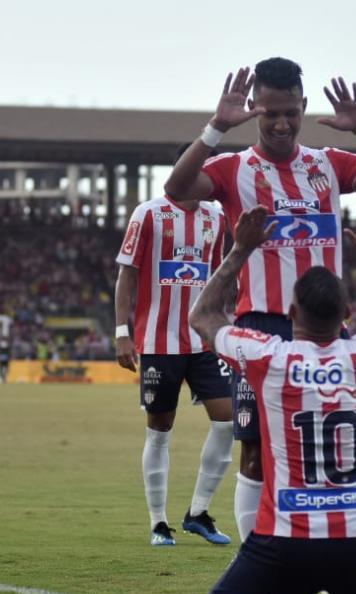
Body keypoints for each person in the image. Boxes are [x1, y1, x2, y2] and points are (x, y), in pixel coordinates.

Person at [164, 57, 356, 542]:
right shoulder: (233, 169)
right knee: (255, 450)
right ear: (254, 109)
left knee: (318, 445)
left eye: (290, 113)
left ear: (304, 107)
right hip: (259, 327)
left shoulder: (326, 164)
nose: (281, 123)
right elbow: (175, 188)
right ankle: (255, 561)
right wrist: (215, 127)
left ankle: (320, 546)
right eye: (270, 113)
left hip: (324, 330)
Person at [190, 206, 356, 594]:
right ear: (348, 313)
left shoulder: (269, 357)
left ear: (292, 310)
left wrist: (240, 249)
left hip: (288, 533)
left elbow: (204, 316)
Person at [114, 152, 234, 547]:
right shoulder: (148, 214)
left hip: (203, 340)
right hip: (158, 342)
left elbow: (219, 277)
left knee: (228, 421)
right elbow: (127, 274)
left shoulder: (216, 217)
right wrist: (121, 332)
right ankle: (158, 522)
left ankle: (198, 512)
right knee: (160, 432)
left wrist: (225, 324)